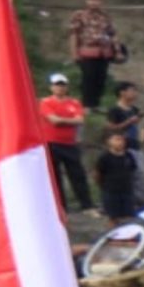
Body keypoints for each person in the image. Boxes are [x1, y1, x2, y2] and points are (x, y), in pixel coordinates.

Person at [39, 74, 94, 213]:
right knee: (55, 176)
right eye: (57, 84)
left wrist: (62, 120)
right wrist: (69, 120)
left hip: (69, 143)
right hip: (52, 142)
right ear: (51, 87)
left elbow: (80, 120)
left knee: (78, 174)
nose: (60, 87)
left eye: (62, 84)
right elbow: (54, 120)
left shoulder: (74, 103)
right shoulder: (46, 102)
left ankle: (86, 205)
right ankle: (61, 206)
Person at [68, 0, 125, 103]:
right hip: (87, 51)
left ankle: (96, 104)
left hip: (104, 53)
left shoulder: (105, 16)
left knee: (101, 79)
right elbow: (74, 34)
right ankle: (87, 104)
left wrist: (118, 51)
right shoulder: (79, 15)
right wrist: (74, 53)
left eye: (97, 0)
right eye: (92, 0)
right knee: (88, 79)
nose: (94, 2)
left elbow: (113, 34)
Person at [103, 82, 144, 196]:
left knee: (139, 174)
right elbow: (111, 129)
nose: (134, 93)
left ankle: (139, 200)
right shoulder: (114, 110)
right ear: (122, 93)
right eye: (131, 90)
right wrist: (129, 122)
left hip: (135, 144)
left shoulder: (134, 109)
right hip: (122, 147)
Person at [95, 130, 139, 221]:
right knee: (113, 217)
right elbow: (98, 174)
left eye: (122, 140)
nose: (120, 142)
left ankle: (128, 234)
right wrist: (103, 186)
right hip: (111, 192)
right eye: (117, 139)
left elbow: (133, 170)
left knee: (129, 216)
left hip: (127, 190)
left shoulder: (129, 155)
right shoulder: (105, 158)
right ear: (108, 141)